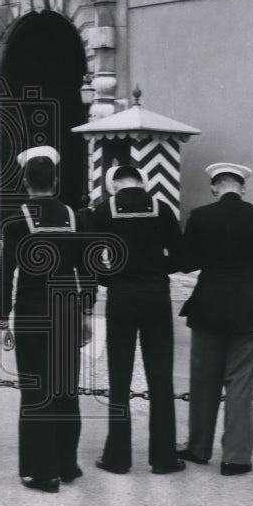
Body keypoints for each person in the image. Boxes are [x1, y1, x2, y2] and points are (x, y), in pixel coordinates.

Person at [177, 162, 253, 476]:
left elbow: (185, 262)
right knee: (239, 383)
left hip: (208, 304)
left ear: (214, 187)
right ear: (243, 188)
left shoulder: (201, 217)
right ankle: (235, 458)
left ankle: (198, 448)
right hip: (252, 307)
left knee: (203, 381)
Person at [0, 146, 92, 493]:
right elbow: (88, 270)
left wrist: (2, 320)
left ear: (25, 182)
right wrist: (86, 313)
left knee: (36, 390)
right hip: (67, 308)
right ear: (55, 180)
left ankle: (42, 472)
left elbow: (7, 274)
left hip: (33, 311)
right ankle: (67, 464)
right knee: (66, 387)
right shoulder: (74, 216)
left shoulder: (16, 220)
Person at [88, 165, 184, 475]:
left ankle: (117, 456)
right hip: (156, 296)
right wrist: (156, 268)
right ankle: (164, 457)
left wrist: (111, 277)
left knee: (119, 376)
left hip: (121, 296)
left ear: (114, 185)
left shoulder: (105, 210)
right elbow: (181, 257)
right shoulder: (162, 208)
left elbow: (92, 258)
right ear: (142, 182)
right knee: (160, 375)